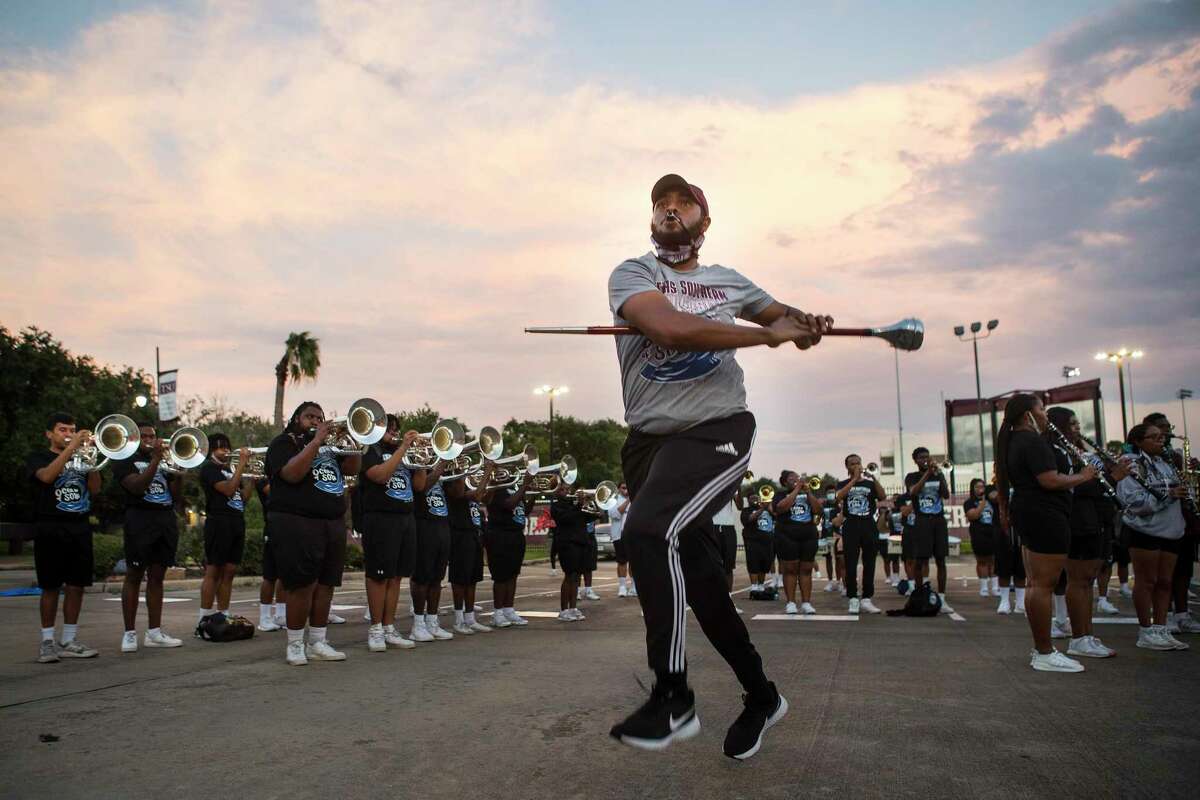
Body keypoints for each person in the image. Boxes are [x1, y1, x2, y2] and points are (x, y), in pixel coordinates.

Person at [606, 173, 832, 759]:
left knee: (649, 531)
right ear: (652, 219)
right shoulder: (633, 274)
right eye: (662, 204)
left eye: (683, 203)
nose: (670, 210)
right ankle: (762, 696)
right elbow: (669, 329)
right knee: (705, 588)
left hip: (716, 430)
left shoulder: (728, 282)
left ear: (704, 222)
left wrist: (804, 325)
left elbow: (785, 318)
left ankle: (673, 695)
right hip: (650, 443)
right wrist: (767, 337)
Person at [994, 393, 1096, 672]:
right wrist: (1084, 476)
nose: (1045, 414)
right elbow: (1049, 480)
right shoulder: (1031, 441)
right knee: (1042, 584)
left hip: (1031, 513)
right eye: (1041, 408)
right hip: (1045, 515)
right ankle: (1044, 651)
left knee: (1035, 583)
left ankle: (1043, 650)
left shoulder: (1014, 440)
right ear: (1028, 414)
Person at [265, 401, 360, 665]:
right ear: (297, 419)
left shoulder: (331, 447)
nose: (316, 421)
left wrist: (353, 442)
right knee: (302, 585)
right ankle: (295, 644)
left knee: (327, 584)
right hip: (297, 520)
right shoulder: (283, 443)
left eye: (320, 417)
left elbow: (353, 469)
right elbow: (292, 474)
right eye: (310, 417)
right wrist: (317, 441)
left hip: (332, 520)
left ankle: (318, 640)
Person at [1045, 407, 1124, 658]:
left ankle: (1087, 634)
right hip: (1078, 520)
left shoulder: (1078, 451)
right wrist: (1111, 478)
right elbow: (1076, 487)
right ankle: (1078, 638)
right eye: (1072, 424)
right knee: (1078, 581)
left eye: (1078, 423)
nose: (1077, 428)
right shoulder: (1058, 453)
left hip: (1097, 518)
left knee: (1088, 580)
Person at [27, 413, 101, 662]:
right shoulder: (39, 457)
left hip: (79, 526)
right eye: (62, 429)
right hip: (50, 526)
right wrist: (71, 448)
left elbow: (95, 488)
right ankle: (47, 642)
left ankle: (69, 639)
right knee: (50, 586)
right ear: (50, 433)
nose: (69, 433)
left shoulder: (81, 457)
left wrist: (91, 457)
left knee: (76, 585)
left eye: (72, 429)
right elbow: (47, 477)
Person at [112, 422, 185, 653]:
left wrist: (180, 472)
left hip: (164, 519)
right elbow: (136, 487)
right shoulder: (125, 459)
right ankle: (129, 633)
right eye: (144, 436)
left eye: (152, 436)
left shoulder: (163, 459)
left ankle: (154, 632)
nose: (149, 439)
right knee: (134, 575)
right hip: (139, 520)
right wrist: (155, 460)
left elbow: (175, 496)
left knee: (157, 577)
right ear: (134, 438)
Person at [1118, 423, 1189, 650]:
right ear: (1139, 441)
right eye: (1154, 438)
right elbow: (1133, 502)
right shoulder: (1131, 463)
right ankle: (1146, 631)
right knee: (1146, 581)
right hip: (1144, 530)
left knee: (1165, 582)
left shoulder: (1165, 463)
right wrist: (1168, 495)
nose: (1161, 441)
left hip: (1171, 529)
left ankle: (1161, 629)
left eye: (1162, 437)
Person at [357, 417, 419, 651]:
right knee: (378, 576)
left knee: (396, 577)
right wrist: (403, 448)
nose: (394, 433)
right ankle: (375, 629)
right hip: (380, 518)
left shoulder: (400, 453)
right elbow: (379, 476)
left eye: (396, 430)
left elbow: (420, 485)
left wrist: (419, 460)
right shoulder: (369, 449)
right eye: (389, 430)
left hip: (405, 518)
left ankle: (388, 627)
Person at [1144, 412, 1200, 635]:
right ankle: (1163, 615)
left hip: (1182, 519)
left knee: (1184, 570)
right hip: (1158, 522)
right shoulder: (1144, 457)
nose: (1167, 432)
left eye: (1168, 427)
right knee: (1160, 575)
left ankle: (1182, 614)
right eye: (1161, 428)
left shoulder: (1173, 454)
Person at [196, 434, 251, 632]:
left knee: (229, 571)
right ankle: (202, 619)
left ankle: (223, 615)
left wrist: (250, 475)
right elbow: (228, 490)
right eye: (220, 448)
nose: (226, 451)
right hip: (218, 521)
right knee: (214, 570)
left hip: (236, 520)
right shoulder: (209, 469)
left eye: (227, 447)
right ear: (211, 450)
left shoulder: (230, 469)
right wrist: (242, 464)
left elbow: (243, 498)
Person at [446, 461, 494, 635]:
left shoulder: (466, 482)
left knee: (472, 578)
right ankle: (459, 620)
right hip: (459, 534)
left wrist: (493, 481)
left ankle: (470, 618)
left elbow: (485, 498)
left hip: (473, 533)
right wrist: (487, 471)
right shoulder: (451, 484)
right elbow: (475, 495)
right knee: (460, 579)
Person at [834, 456, 886, 615]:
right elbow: (839, 496)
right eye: (852, 464)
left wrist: (873, 478)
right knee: (850, 562)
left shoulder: (869, 484)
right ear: (847, 467)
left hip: (868, 524)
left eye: (858, 463)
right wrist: (854, 479)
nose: (856, 465)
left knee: (869, 562)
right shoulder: (843, 483)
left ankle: (867, 599)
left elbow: (882, 496)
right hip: (851, 524)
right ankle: (853, 599)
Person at [904, 447, 952, 612]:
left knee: (941, 559)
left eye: (927, 456)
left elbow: (946, 495)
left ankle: (943, 598)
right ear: (915, 460)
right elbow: (914, 492)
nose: (925, 459)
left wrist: (938, 474)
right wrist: (927, 474)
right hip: (922, 520)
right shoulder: (911, 477)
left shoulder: (938, 474)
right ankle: (920, 595)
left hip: (938, 520)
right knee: (920, 560)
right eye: (921, 457)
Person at [484, 473, 534, 627]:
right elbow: (509, 505)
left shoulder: (514, 488)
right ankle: (498, 613)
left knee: (513, 574)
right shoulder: (496, 487)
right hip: (500, 535)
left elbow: (524, 510)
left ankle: (509, 609)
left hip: (516, 535)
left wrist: (531, 493)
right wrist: (525, 485)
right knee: (501, 576)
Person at [410, 460, 453, 641]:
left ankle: (432, 622)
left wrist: (454, 468)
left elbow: (457, 493)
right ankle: (418, 624)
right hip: (423, 525)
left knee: (437, 578)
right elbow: (422, 486)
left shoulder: (442, 471)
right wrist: (442, 463)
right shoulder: (415, 466)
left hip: (442, 525)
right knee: (422, 577)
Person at [772, 471, 821, 615]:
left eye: (797, 478)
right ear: (784, 482)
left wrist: (809, 493)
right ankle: (791, 603)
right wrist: (796, 490)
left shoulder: (807, 493)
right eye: (791, 478)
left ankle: (806, 603)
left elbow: (818, 510)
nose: (796, 480)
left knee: (806, 570)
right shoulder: (780, 495)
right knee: (790, 570)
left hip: (808, 536)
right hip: (787, 536)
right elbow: (781, 508)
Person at [552, 484, 596, 621]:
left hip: (581, 543)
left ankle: (573, 608)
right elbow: (565, 518)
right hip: (567, 544)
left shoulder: (573, 504)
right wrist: (579, 505)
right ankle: (564, 610)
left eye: (567, 489)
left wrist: (590, 502)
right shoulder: (556, 506)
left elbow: (591, 517)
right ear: (555, 492)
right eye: (562, 490)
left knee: (576, 577)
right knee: (569, 576)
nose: (566, 492)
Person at [254, 477, 287, 631]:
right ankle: (264, 617)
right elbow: (275, 493)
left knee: (284, 575)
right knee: (270, 576)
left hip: (288, 526)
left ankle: (281, 615)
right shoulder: (262, 478)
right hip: (273, 527)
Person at [963, 479, 998, 597]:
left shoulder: (991, 501)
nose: (980, 489)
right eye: (977, 487)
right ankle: (984, 588)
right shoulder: (969, 502)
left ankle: (995, 587)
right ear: (973, 489)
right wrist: (982, 504)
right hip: (978, 533)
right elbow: (973, 515)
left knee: (993, 560)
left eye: (982, 487)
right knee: (982, 561)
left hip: (992, 532)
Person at [739, 491, 775, 593]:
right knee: (753, 563)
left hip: (767, 541)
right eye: (752, 498)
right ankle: (754, 585)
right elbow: (749, 519)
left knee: (764, 563)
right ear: (748, 500)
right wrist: (762, 509)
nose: (755, 500)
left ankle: (761, 584)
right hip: (752, 541)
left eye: (756, 498)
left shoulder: (768, 509)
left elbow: (776, 516)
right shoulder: (746, 510)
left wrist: (769, 508)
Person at [610, 483, 636, 597]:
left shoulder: (636, 498)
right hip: (619, 535)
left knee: (634, 562)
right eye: (623, 488)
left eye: (627, 487)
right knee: (622, 561)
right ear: (619, 489)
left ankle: (634, 587)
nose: (626, 490)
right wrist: (628, 501)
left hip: (633, 535)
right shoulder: (614, 500)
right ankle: (622, 587)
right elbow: (615, 514)